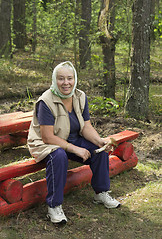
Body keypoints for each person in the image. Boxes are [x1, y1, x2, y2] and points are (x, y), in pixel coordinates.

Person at [27, 61, 120, 224]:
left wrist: (100, 141)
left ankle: (101, 193)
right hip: (46, 143)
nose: (66, 83)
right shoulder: (46, 101)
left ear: (75, 79)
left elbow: (85, 126)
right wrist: (75, 149)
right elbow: (47, 137)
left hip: (72, 138)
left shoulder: (80, 96)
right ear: (55, 80)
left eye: (69, 78)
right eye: (61, 78)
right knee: (59, 156)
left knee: (99, 150)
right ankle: (54, 206)